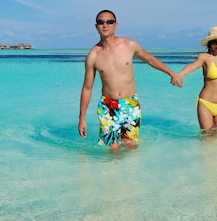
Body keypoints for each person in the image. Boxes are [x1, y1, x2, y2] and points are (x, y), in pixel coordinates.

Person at [78, 9, 183, 149]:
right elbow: (87, 88)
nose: (105, 25)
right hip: (108, 106)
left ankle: (131, 172)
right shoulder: (93, 56)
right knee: (111, 148)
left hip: (130, 104)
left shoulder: (129, 45)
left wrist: (171, 73)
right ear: (96, 26)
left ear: (115, 25)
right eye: (101, 22)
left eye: (109, 22)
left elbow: (150, 59)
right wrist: (82, 118)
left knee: (131, 146)